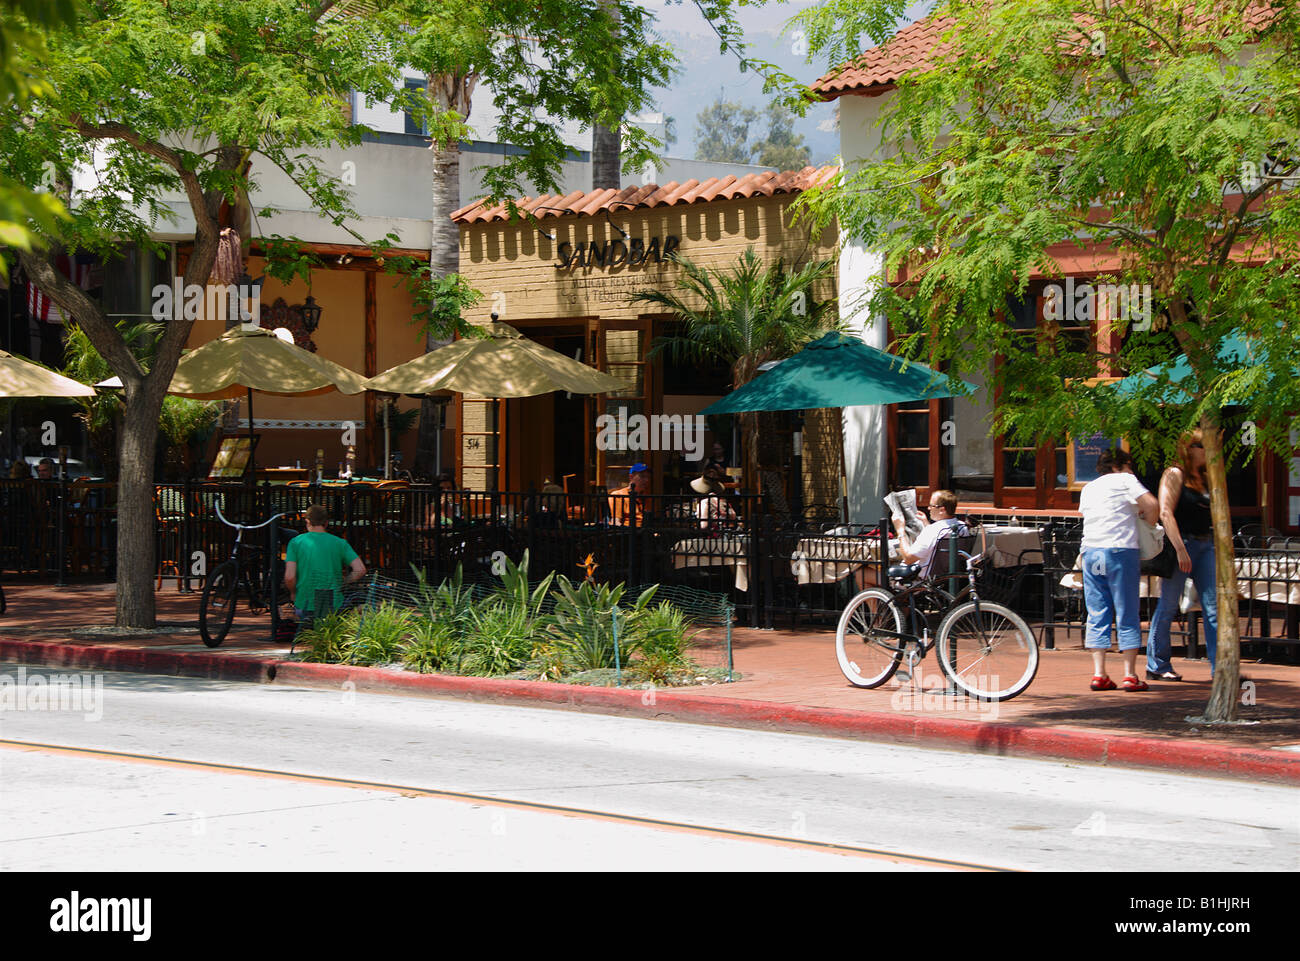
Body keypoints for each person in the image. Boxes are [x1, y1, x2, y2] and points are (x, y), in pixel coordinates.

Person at [1079, 448, 1160, 692]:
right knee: (1127, 610)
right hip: (1120, 550)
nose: (1131, 470)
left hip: (1092, 551)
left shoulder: (1089, 487)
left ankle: (1099, 673)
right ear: (1118, 466)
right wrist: (1149, 523)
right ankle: (1129, 673)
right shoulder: (1125, 479)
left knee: (1097, 611)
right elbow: (1152, 504)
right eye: (1129, 465)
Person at [1146, 431, 1218, 681]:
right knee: (1168, 605)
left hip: (1205, 544)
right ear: (1189, 448)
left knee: (1213, 608)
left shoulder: (1208, 477)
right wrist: (1179, 548)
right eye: (1201, 445)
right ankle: (1158, 664)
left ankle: (1219, 668)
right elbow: (1166, 513)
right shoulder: (1174, 474)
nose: (1206, 450)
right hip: (1182, 542)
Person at [284, 504, 366, 625]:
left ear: (307, 521)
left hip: (305, 602)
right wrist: (344, 582)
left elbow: (289, 576)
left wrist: (293, 593)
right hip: (333, 602)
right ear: (326, 523)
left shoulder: (296, 542)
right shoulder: (339, 543)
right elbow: (360, 570)